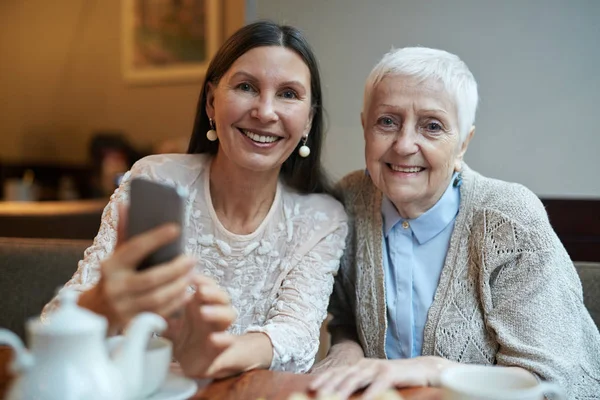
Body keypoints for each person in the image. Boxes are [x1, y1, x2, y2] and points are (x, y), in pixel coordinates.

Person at [42, 21, 347, 379]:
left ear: (308, 120)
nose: (265, 112)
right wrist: (106, 303)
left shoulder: (321, 218)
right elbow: (57, 323)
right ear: (210, 102)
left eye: (289, 94)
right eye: (246, 87)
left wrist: (211, 354)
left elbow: (295, 336)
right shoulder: (155, 180)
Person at [310, 47, 600, 399]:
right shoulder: (350, 200)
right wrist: (346, 352)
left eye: (432, 127)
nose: (403, 145)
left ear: (463, 143)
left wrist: (434, 369)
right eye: (387, 121)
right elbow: (345, 319)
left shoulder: (510, 219)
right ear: (364, 127)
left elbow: (550, 381)